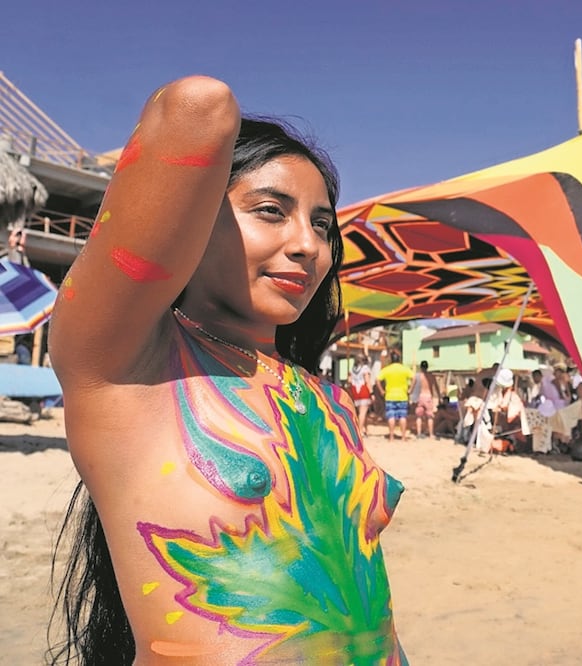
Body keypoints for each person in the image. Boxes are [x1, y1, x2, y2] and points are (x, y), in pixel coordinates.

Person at [46, 77, 406, 664]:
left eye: (321, 224)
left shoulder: (326, 399)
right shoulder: (127, 364)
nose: (307, 245)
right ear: (191, 221)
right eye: (271, 211)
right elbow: (196, 107)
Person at [378, 349, 413, 441]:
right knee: (402, 416)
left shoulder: (387, 369)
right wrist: (410, 389)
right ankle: (403, 437)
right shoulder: (404, 369)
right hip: (402, 396)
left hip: (390, 396)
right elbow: (414, 378)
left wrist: (381, 390)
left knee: (391, 416)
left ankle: (391, 436)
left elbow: (377, 379)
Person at [410, 359, 438, 438]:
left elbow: (412, 387)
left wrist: (410, 394)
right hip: (428, 396)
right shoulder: (431, 376)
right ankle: (431, 434)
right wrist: (439, 396)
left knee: (419, 416)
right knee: (430, 416)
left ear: (421, 367)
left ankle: (419, 433)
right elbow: (436, 387)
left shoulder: (417, 376)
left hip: (420, 396)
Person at [348, 354, 374, 436]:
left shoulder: (352, 369)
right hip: (364, 390)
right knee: (363, 412)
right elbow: (367, 381)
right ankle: (360, 431)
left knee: (361, 412)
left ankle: (365, 429)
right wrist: (372, 392)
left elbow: (349, 381)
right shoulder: (365, 368)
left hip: (355, 391)